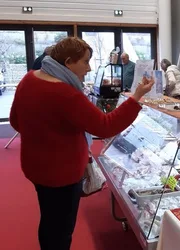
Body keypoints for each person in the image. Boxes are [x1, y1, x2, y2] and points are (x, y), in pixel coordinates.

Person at [9, 37, 154, 250]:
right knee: (60, 228)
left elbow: (15, 120)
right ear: (68, 62)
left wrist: (43, 134)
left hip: (35, 167)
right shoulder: (66, 94)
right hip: (61, 173)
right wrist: (137, 96)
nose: (88, 68)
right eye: (85, 62)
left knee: (49, 219)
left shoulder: (29, 79)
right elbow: (105, 126)